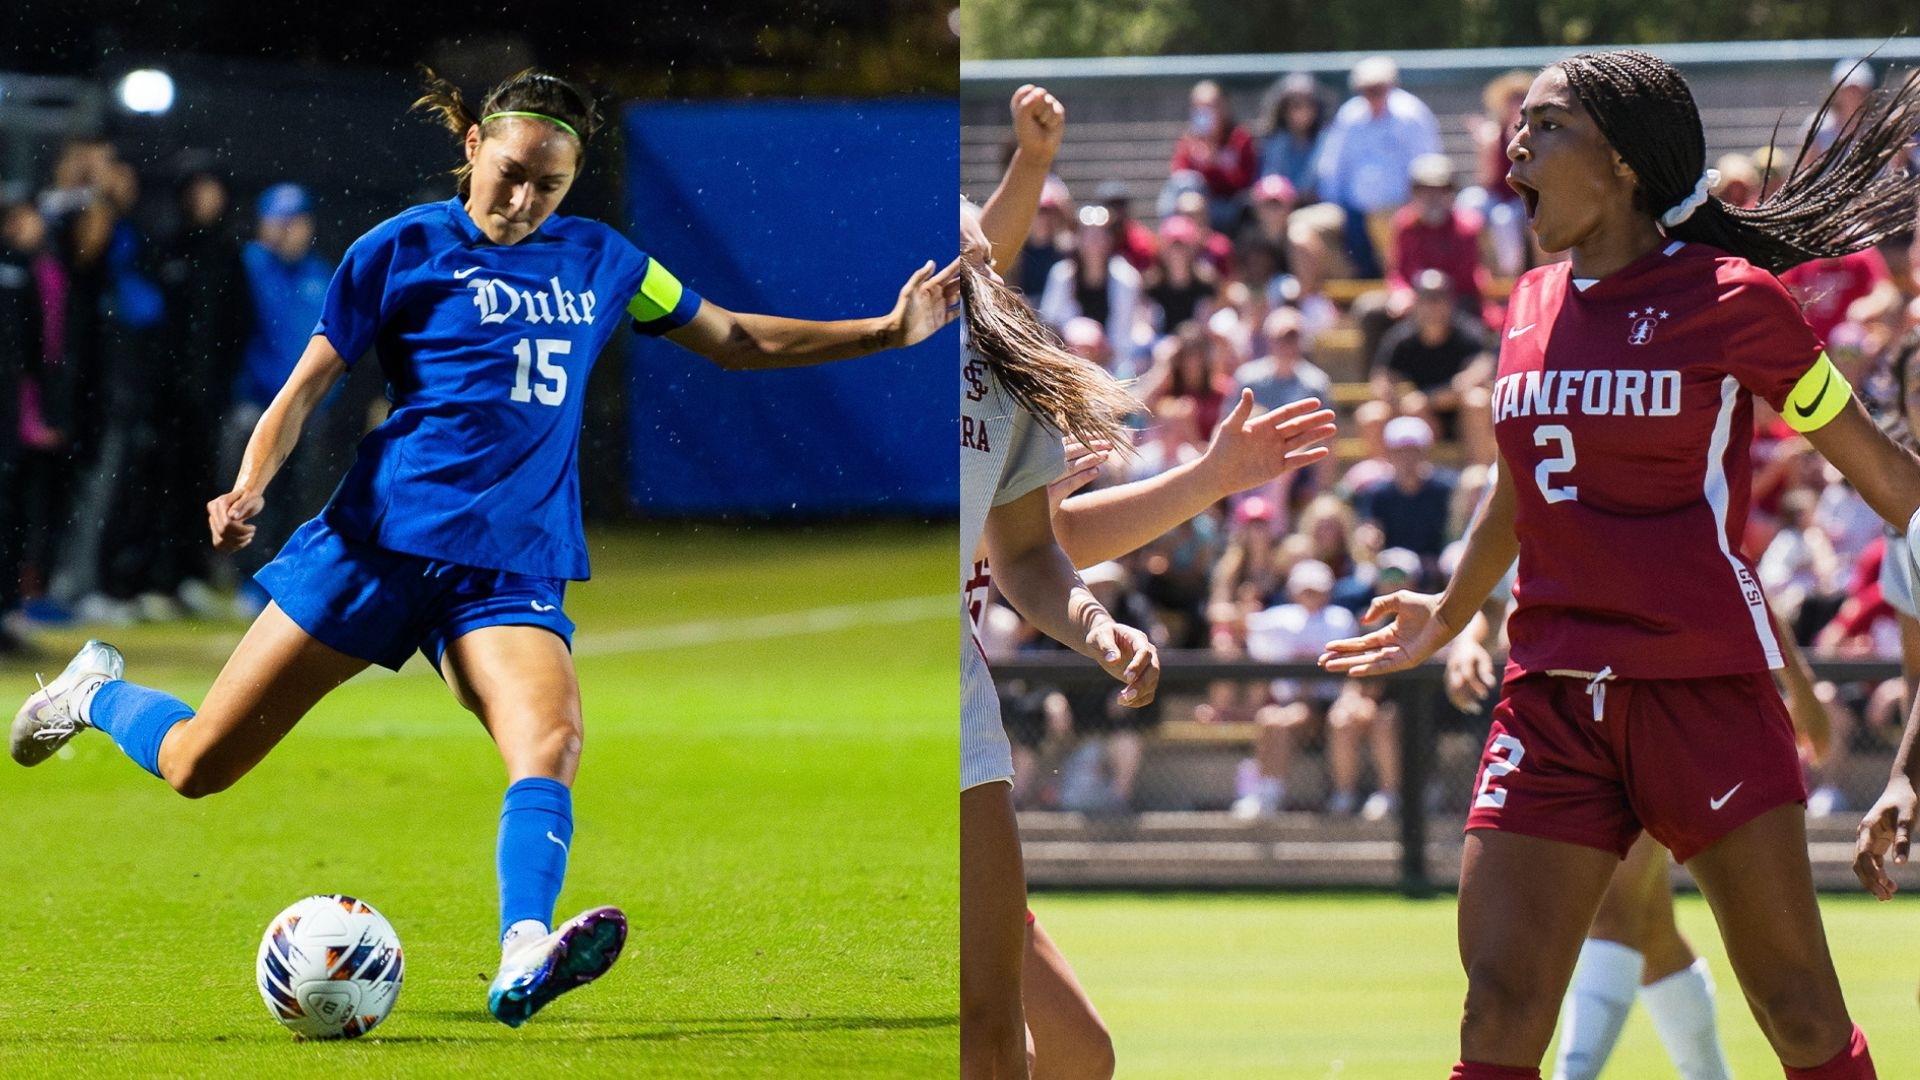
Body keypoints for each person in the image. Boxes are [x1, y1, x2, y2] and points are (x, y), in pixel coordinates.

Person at [12, 68, 958, 1028]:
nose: (523, 199)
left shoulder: (610, 262)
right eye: (509, 173)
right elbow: (306, 386)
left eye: (549, 185)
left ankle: (523, 951)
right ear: (472, 147)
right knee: (196, 764)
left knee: (549, 739)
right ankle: (93, 690)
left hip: (508, 565)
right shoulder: (401, 248)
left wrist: (886, 330)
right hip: (373, 547)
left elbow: (735, 340)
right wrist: (251, 482)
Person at [1322, 49, 1920, 1078]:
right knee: (1498, 1014)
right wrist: (1456, 610)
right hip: (1550, 695)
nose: (1517, 142)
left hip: (1702, 692)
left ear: (1625, 164)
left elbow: (1883, 479)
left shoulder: (1736, 301)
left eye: (1547, 126)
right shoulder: (1528, 303)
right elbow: (1521, 486)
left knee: (1801, 1014)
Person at [967, 83, 1336, 1079]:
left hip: (962, 704)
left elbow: (1034, 555)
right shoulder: (887, 366)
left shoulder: (994, 383)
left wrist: (1207, 486)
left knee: (1079, 1054)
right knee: (982, 1035)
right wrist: (1031, 166)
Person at [1315, 56, 1442, 279]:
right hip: (1351, 212)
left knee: (1385, 222)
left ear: (1391, 86)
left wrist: (1415, 204)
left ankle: (1394, 284)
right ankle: (1349, 289)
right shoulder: (1349, 115)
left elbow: (1429, 166)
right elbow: (1331, 167)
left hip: (1402, 208)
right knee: (1305, 228)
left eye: (1378, 88)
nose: (1372, 94)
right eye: (1367, 89)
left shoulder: (1412, 114)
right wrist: (1336, 204)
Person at [1256, 72, 1328, 205]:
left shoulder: (1327, 139)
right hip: (1279, 206)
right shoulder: (1271, 141)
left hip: (1316, 205)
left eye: (1309, 104)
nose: (1303, 110)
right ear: (1283, 108)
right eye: (1296, 105)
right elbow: (1269, 182)